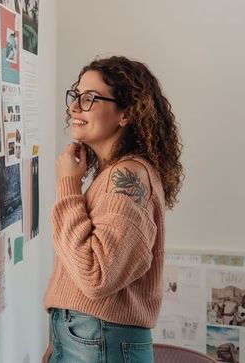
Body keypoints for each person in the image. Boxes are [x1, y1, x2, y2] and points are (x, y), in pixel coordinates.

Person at [43, 56, 183, 363]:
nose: (74, 107)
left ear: (126, 114)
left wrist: (68, 184)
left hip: (99, 339)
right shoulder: (113, 175)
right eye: (76, 95)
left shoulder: (128, 175)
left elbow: (96, 274)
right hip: (90, 337)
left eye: (90, 98)